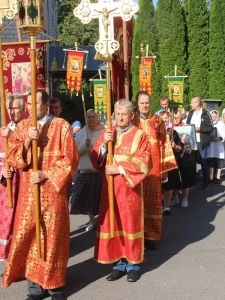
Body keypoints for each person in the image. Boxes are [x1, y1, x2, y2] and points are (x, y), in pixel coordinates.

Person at [1, 89, 79, 300]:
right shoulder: (24, 126)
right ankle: (34, 287)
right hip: (30, 193)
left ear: (46, 105)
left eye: (34, 104)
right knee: (30, 237)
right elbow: (14, 159)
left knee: (53, 238)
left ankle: (54, 285)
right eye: (28, 104)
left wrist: (45, 173)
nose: (30, 109)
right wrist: (27, 141)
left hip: (54, 191)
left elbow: (71, 159)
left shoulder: (61, 126)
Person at [91, 99, 151, 283]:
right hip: (109, 189)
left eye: (124, 114)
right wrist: (103, 145)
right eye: (117, 114)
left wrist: (120, 169)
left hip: (129, 190)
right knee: (113, 223)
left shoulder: (140, 135)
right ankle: (118, 262)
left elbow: (145, 162)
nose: (120, 117)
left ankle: (133, 264)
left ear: (132, 115)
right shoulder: (108, 133)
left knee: (129, 225)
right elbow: (96, 159)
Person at [0, 95, 26, 262]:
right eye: (10, 108)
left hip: (25, 185)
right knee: (8, 220)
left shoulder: (27, 130)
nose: (13, 112)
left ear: (23, 109)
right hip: (8, 186)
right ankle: (10, 259)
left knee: (24, 221)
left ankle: (24, 258)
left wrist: (13, 136)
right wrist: (1, 171)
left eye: (16, 108)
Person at [133, 91, 168, 250]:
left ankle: (152, 235)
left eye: (147, 102)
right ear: (137, 104)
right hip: (136, 166)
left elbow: (164, 144)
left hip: (154, 167)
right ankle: (137, 235)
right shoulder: (132, 120)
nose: (145, 105)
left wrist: (165, 166)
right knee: (137, 202)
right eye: (142, 103)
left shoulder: (157, 120)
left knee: (153, 201)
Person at [70, 109, 105, 231]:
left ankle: (103, 220)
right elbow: (74, 153)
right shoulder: (81, 133)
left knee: (101, 198)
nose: (91, 119)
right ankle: (91, 220)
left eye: (93, 117)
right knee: (86, 198)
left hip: (99, 171)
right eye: (88, 117)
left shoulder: (103, 132)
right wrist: (84, 146)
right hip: (85, 171)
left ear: (97, 118)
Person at [186, 97, 214, 190]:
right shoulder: (190, 114)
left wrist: (200, 129)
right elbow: (187, 125)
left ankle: (206, 183)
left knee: (203, 162)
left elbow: (211, 127)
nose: (190, 104)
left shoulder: (206, 113)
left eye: (192, 103)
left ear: (197, 103)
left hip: (201, 141)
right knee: (192, 163)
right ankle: (192, 182)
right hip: (192, 141)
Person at [158, 111, 181, 215]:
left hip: (170, 164)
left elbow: (181, 148)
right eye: (162, 117)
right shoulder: (156, 133)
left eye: (167, 118)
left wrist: (175, 146)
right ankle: (158, 207)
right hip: (159, 163)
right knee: (159, 187)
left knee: (169, 186)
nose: (165, 119)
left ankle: (166, 207)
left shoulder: (173, 133)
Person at [207, 110, 225, 184]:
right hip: (211, 144)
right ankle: (211, 177)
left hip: (218, 145)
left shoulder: (221, 124)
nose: (214, 118)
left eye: (215, 117)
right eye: (212, 116)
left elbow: (224, 134)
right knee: (211, 160)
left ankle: (218, 177)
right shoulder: (208, 124)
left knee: (219, 160)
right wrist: (210, 138)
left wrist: (219, 138)